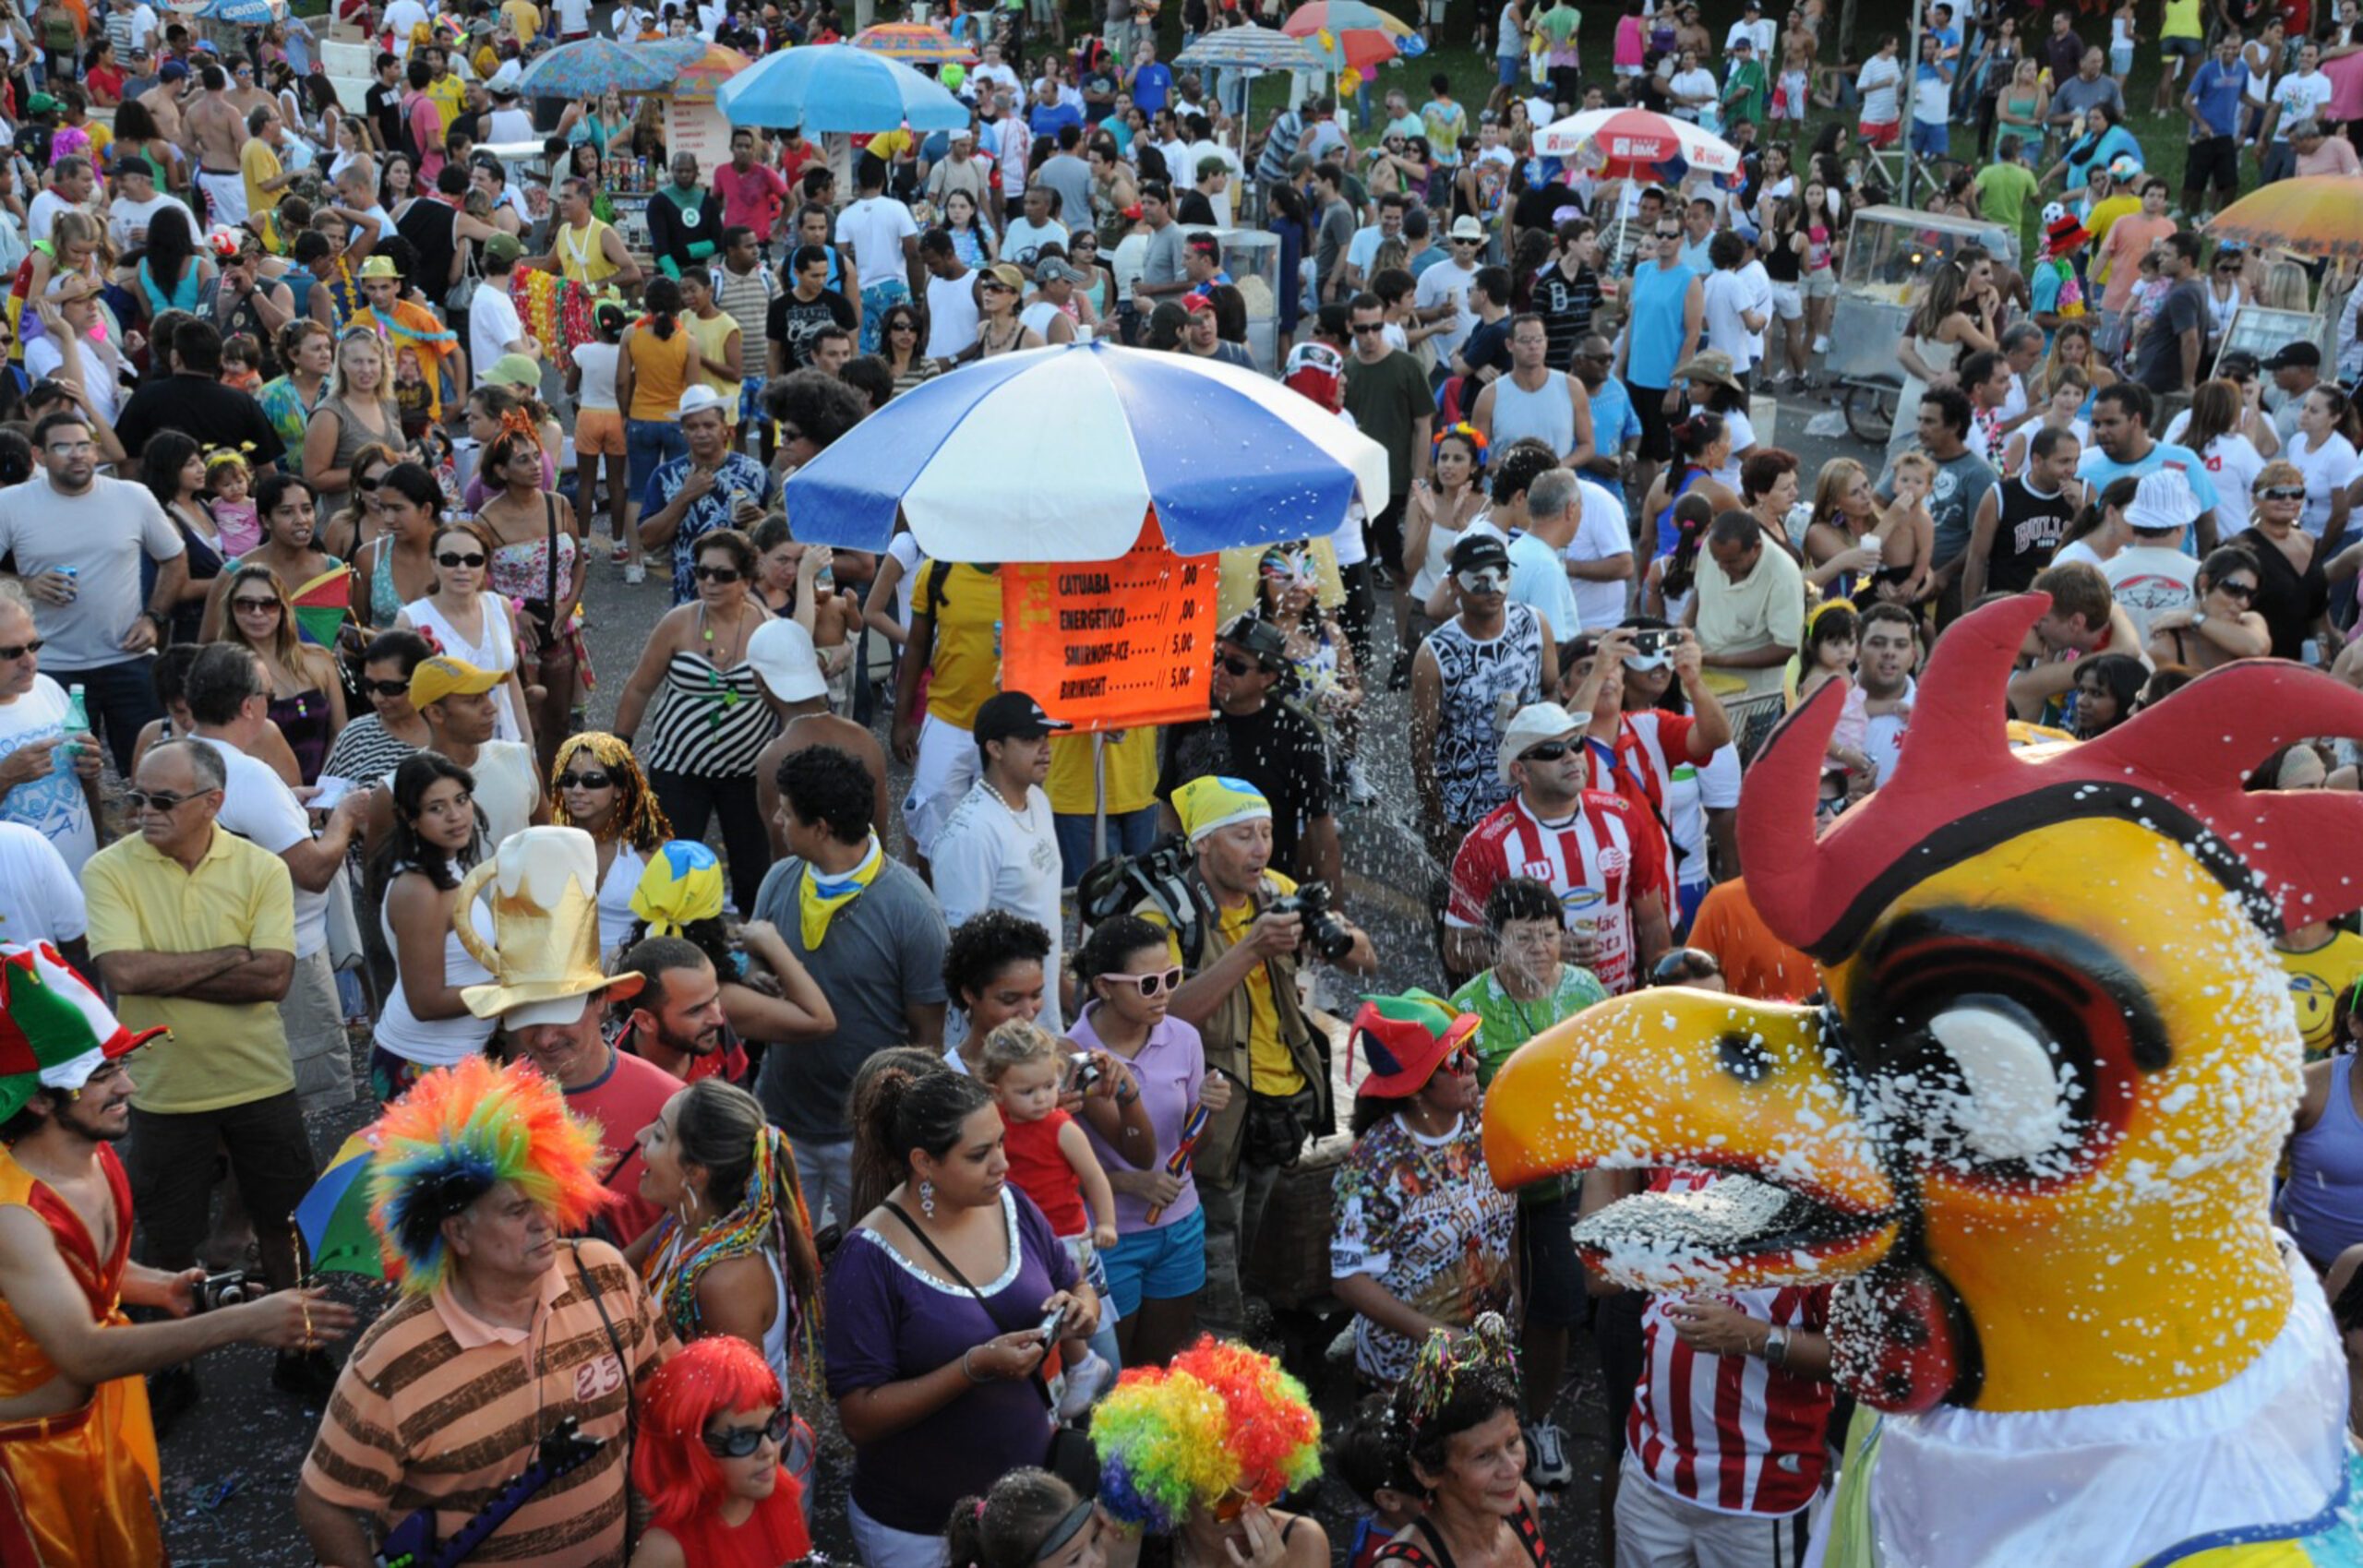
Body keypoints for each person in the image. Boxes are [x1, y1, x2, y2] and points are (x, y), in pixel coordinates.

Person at [0, 945, 354, 1565]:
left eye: (123, 1067)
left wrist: (157, 1285)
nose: (129, 1086)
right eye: (103, 1075)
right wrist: (242, 1321)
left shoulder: (95, 1152)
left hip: (96, 1428)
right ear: (36, 1099)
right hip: (25, 1461)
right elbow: (81, 1347)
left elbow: (88, 1268)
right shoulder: (13, 1217)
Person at [294, 1056, 674, 1564]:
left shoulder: (604, 1276)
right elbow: (323, 1503)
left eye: (546, 1197)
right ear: (457, 1232)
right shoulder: (393, 1357)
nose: (545, 1222)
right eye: (518, 1209)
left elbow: (665, 1402)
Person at [81, 739, 324, 1410]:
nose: (143, 811)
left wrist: (170, 968)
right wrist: (227, 956)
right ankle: (172, 1369)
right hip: (161, 1091)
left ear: (212, 802)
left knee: (286, 1223)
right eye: (136, 796)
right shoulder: (108, 870)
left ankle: (299, 1347)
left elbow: (273, 978)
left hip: (259, 1080)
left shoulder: (260, 869)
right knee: (166, 1235)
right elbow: (125, 973)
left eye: (161, 799)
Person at [826, 1054, 1096, 1567]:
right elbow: (859, 1415)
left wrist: (1080, 1310)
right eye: (979, 1155)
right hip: (920, 1530)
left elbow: (1075, 1282)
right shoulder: (868, 1259)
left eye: (1001, 1142)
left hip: (1029, 1520)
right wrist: (974, 1367)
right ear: (925, 1163)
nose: (1003, 1164)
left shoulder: (1011, 1203)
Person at [1135, 775, 1375, 1337]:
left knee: (1245, 1256)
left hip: (1280, 1110)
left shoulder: (1276, 890)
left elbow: (1367, 959)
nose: (1261, 848)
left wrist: (1334, 934)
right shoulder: (1163, 917)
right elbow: (1163, 1015)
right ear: (1203, 843)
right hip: (1213, 1120)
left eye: (1266, 833)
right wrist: (1251, 948)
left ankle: (1234, 1345)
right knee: (1215, 1268)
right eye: (1243, 835)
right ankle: (1217, 1370)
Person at [751, 745, 949, 1228]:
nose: (777, 819)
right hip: (781, 1123)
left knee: (865, 1264)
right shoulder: (779, 880)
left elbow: (928, 1040)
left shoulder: (911, 910)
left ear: (820, 828)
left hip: (862, 1141)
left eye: (787, 811)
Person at [456, 825, 680, 1246]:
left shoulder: (668, 1104)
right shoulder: (485, 1110)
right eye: (525, 1016)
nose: (543, 1038)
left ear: (601, 1002)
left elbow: (692, 1228)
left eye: (560, 1014)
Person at [183, 643, 365, 1115]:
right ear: (249, 706)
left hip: (204, 951)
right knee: (298, 1113)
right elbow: (314, 871)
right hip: (286, 959)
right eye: (268, 694)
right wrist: (343, 818)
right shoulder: (247, 774)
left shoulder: (170, 757)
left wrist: (285, 801)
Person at [1329, 992, 1515, 1387]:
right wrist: (1436, 1336)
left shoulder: (1489, 1122)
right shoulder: (1372, 1166)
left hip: (1489, 1347)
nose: (1474, 1065)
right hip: (1410, 1373)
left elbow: (1510, 1223)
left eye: (1469, 1050)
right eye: (1456, 1060)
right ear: (1416, 1088)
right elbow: (1349, 1278)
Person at [0, 411, 186, 776]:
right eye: (63, 446)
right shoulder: (11, 504)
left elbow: (175, 558)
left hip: (127, 659)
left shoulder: (132, 496)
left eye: (84, 445)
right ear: (39, 455)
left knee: (150, 771)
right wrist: (26, 584)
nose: (77, 454)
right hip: (48, 667)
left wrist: (154, 618)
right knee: (63, 775)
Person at [610, 527, 778, 916]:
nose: (709, 582)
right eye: (702, 572)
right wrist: (618, 747)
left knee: (753, 874)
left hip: (745, 773)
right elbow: (639, 688)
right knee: (673, 872)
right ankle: (669, 954)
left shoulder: (767, 629)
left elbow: (787, 700)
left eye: (723, 574)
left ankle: (751, 961)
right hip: (679, 770)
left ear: (748, 581)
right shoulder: (678, 623)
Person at [627, 1075, 820, 1392]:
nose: (641, 1137)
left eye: (659, 1135)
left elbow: (738, 1414)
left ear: (694, 1172)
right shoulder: (680, 1226)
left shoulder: (727, 1281)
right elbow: (610, 1274)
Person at [1091, 1336, 1327, 1568]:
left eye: (1263, 1493)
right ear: (1179, 1494)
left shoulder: (1303, 1543)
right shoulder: (1131, 1546)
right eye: (1229, 1502)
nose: (1250, 1516)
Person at [1159, 614, 1344, 889]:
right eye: (1218, 658)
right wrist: (1180, 865)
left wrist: (1333, 910)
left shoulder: (1298, 733)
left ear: (1268, 677)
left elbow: (1319, 826)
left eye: (1235, 666)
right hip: (1197, 885)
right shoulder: (1192, 715)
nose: (1220, 671)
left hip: (1266, 887)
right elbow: (1169, 800)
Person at [932, 691, 1073, 1032]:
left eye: (1045, 737)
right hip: (1000, 1034)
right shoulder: (970, 833)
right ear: (995, 749)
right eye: (1029, 739)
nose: (1045, 748)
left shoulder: (1038, 801)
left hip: (1039, 1015)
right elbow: (962, 946)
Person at [1412, 532, 1555, 864]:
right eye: (1479, 579)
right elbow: (1421, 746)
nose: (1493, 587)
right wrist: (1437, 821)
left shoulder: (1534, 624)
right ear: (1454, 585)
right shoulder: (1433, 654)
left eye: (1502, 575)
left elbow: (1553, 691)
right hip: (1463, 808)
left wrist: (1534, 718)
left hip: (1527, 798)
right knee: (1459, 906)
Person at [367, 751, 496, 1101]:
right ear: (410, 818)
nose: (455, 816)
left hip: (455, 1060)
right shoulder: (419, 890)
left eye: (461, 800)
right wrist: (512, 989)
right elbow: (425, 1003)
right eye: (436, 808)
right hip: (422, 1066)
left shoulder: (445, 865)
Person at [1374, 1317, 1552, 1568]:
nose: (1512, 1469)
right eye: (1484, 1456)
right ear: (1426, 1471)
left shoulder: (1522, 1502)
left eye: (1512, 1443)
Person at [0, 581, 102, 878]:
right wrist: (6, 776)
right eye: (11, 653)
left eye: (34, 645)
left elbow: (86, 788)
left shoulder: (48, 689)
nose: (30, 662)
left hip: (81, 883)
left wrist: (91, 770)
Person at [2144, 545, 2270, 671]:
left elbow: (2257, 648)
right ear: (2203, 583)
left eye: (2250, 594)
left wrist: (2191, 618)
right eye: (2234, 589)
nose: (2243, 602)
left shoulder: (2249, 621)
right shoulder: (2168, 646)